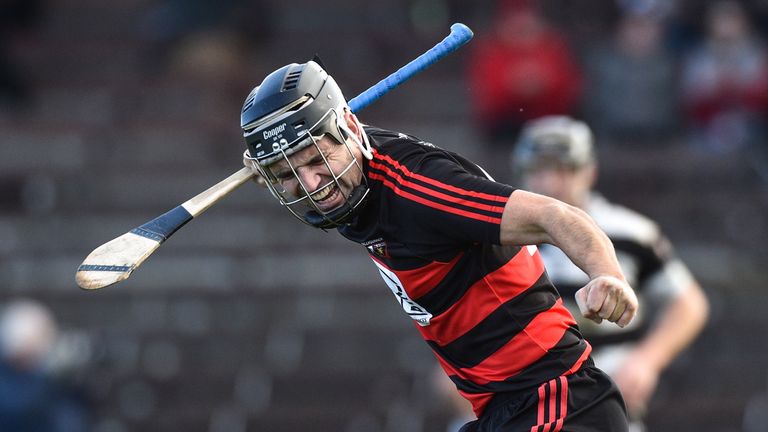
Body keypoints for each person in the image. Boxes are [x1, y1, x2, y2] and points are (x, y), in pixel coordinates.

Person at [239, 60, 638, 431]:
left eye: (316, 160)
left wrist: (607, 274)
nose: (312, 185)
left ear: (348, 127)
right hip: (503, 409)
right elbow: (310, 167)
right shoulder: (349, 169)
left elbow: (557, 216)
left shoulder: (420, 190)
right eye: (287, 173)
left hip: (558, 401)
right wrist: (276, 168)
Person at [512, 115, 709, 432]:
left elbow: (689, 304)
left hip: (609, 391)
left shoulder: (631, 232)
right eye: (538, 170)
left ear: (589, 171)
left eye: (563, 169)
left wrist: (647, 360)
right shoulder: (503, 237)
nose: (548, 183)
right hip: (525, 398)